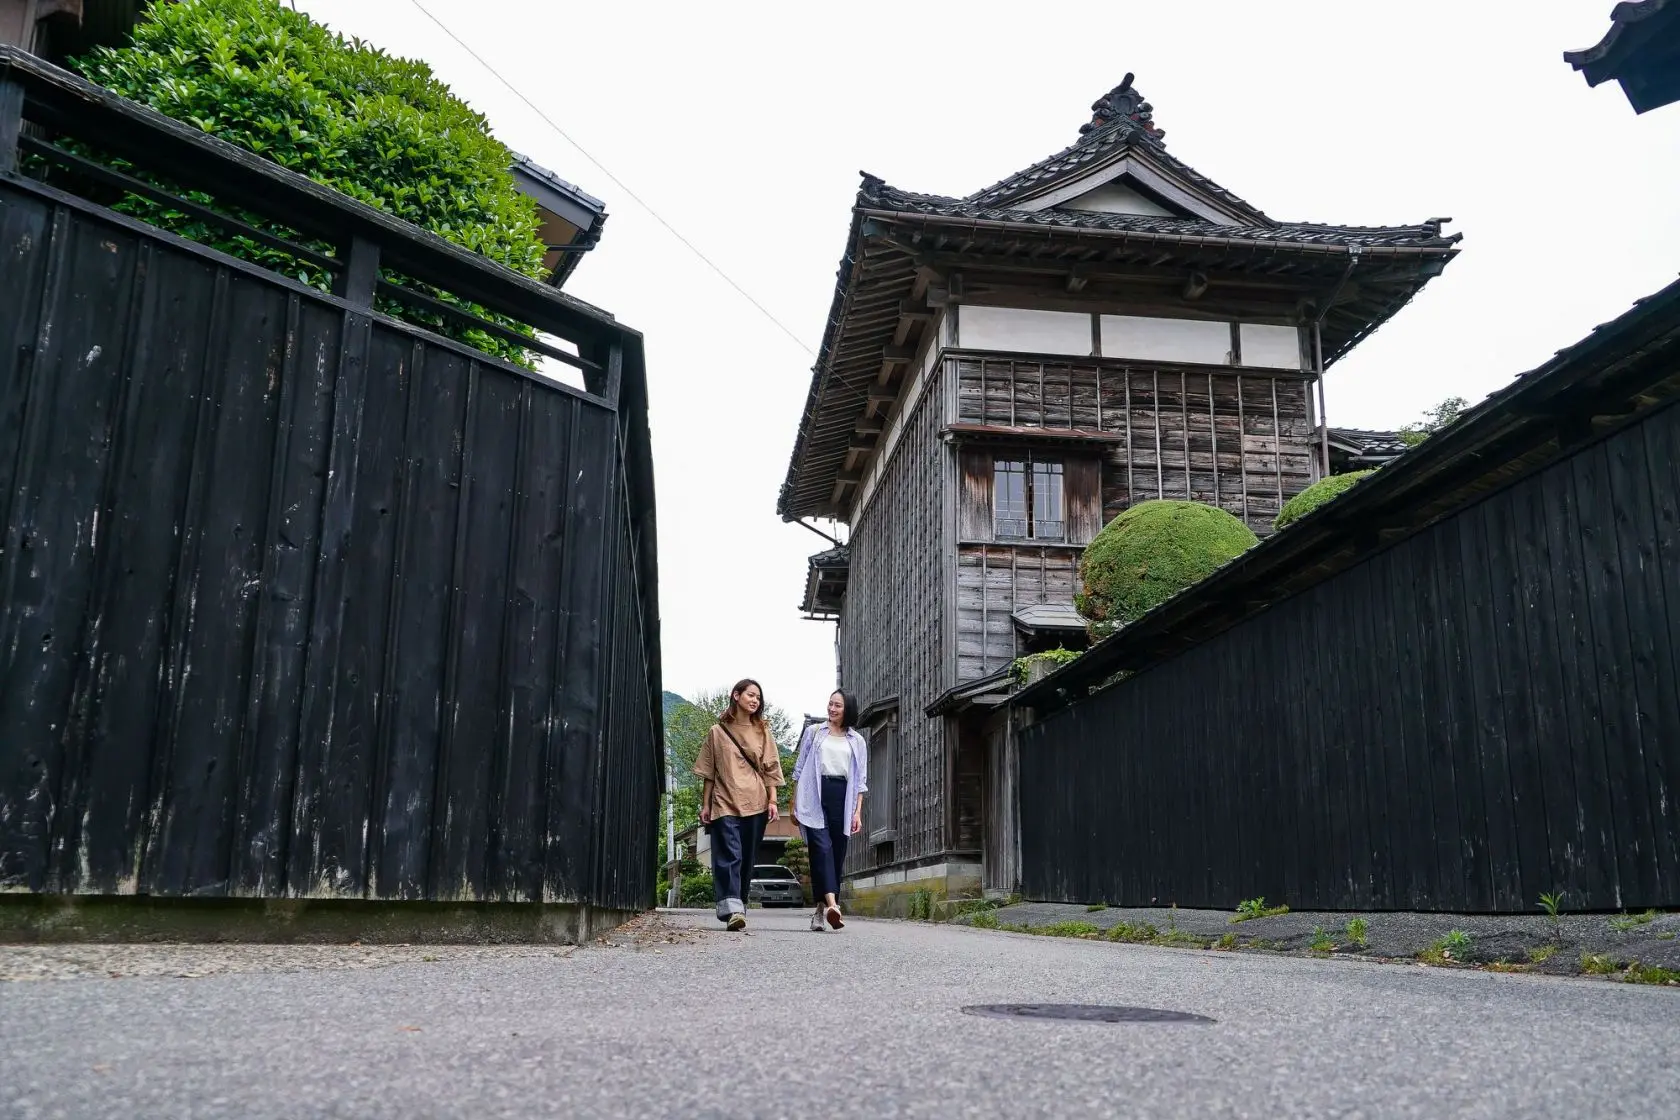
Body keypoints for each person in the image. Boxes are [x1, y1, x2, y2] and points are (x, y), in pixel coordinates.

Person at [693, 678, 784, 932]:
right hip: (724, 801)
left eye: (758, 697)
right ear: (736, 695)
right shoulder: (717, 731)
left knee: (746, 857)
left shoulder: (763, 731)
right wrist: (705, 805)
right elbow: (709, 772)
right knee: (729, 854)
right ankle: (732, 909)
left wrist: (773, 800)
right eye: (750, 695)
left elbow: (771, 768)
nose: (755, 700)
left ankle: (738, 905)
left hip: (756, 801)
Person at [792, 689, 867, 931]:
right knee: (821, 847)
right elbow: (799, 769)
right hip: (815, 792)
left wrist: (857, 812)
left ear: (848, 710)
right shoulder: (815, 732)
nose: (832, 709)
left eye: (838, 706)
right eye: (830, 704)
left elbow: (860, 781)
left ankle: (819, 911)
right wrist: (794, 803)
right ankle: (834, 905)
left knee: (836, 854)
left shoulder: (857, 741)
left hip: (842, 796)